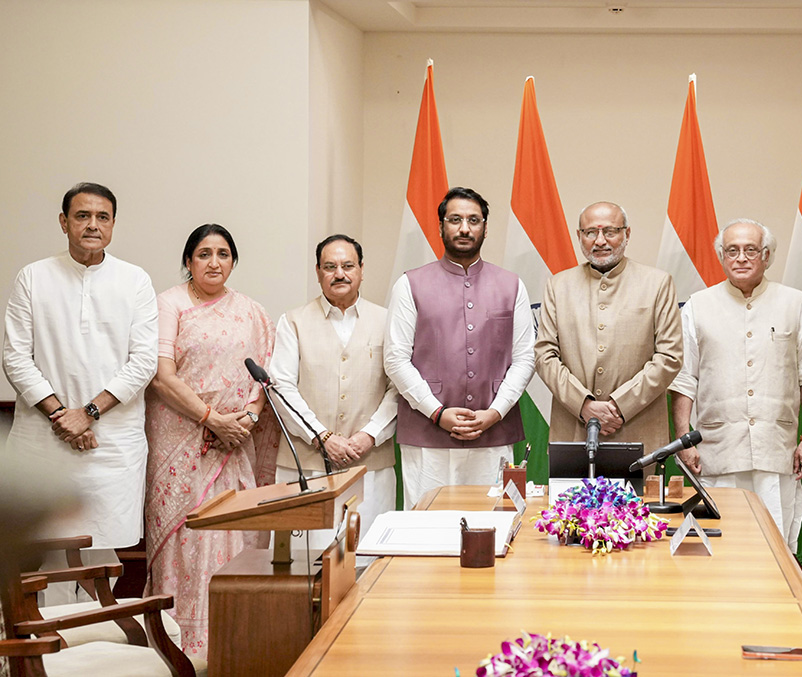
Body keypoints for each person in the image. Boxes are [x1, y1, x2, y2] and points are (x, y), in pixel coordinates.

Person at [2, 182, 158, 605]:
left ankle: (97, 647)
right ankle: (46, 654)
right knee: (42, 551)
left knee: (102, 550)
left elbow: (143, 362)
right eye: (82, 216)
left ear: (113, 225)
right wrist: (62, 417)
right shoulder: (33, 277)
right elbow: (15, 357)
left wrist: (88, 413)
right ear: (64, 222)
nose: (93, 225)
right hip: (43, 442)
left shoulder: (135, 280)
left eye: (102, 217)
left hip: (111, 444)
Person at [144, 224, 279, 658]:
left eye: (223, 254)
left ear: (233, 262)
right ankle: (176, 646)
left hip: (235, 442)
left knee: (230, 535)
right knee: (183, 538)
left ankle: (232, 640)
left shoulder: (252, 312)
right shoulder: (169, 304)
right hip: (180, 444)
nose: (214, 262)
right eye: (204, 254)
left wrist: (246, 418)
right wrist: (211, 418)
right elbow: (162, 377)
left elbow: (266, 375)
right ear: (188, 261)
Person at [669, 219, 802, 551]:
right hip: (716, 450)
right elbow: (685, 379)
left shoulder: (795, 303)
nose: (740, 258)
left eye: (750, 250)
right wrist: (685, 441)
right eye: (732, 251)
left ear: (766, 256)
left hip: (776, 449)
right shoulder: (697, 306)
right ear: (722, 257)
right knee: (721, 546)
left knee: (775, 544)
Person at [385, 187, 534, 509]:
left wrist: (495, 413)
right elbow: (396, 359)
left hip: (494, 432)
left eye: (473, 220)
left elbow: (524, 358)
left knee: (494, 524)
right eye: (455, 220)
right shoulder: (409, 284)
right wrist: (437, 413)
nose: (464, 228)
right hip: (427, 434)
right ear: (440, 226)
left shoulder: (512, 285)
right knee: (427, 529)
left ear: (484, 227)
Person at [269, 234, 398, 551]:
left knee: (367, 560)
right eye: (330, 267)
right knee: (304, 568)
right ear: (318, 272)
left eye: (347, 265)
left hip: (370, 464)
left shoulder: (388, 320)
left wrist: (369, 435)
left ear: (362, 270)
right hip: (305, 466)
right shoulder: (293, 322)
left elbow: (398, 388)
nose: (339, 274)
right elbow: (281, 386)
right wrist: (322, 437)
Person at [535, 201, 683, 461]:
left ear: (627, 234)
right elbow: (544, 356)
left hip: (638, 431)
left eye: (610, 231)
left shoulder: (657, 283)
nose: (600, 240)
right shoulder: (558, 286)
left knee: (636, 503)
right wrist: (584, 406)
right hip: (574, 430)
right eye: (591, 232)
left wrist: (618, 406)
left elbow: (669, 357)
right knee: (570, 503)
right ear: (579, 237)